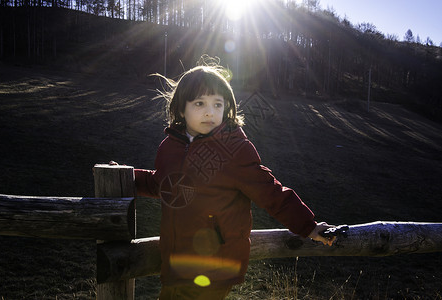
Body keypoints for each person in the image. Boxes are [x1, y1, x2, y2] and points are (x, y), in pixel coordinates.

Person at [130, 57, 336, 299]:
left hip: (214, 266)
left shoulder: (235, 150)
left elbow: (270, 192)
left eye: (218, 104)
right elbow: (163, 184)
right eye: (199, 103)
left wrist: (308, 226)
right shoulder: (169, 147)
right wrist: (126, 175)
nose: (210, 111)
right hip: (177, 264)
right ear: (181, 109)